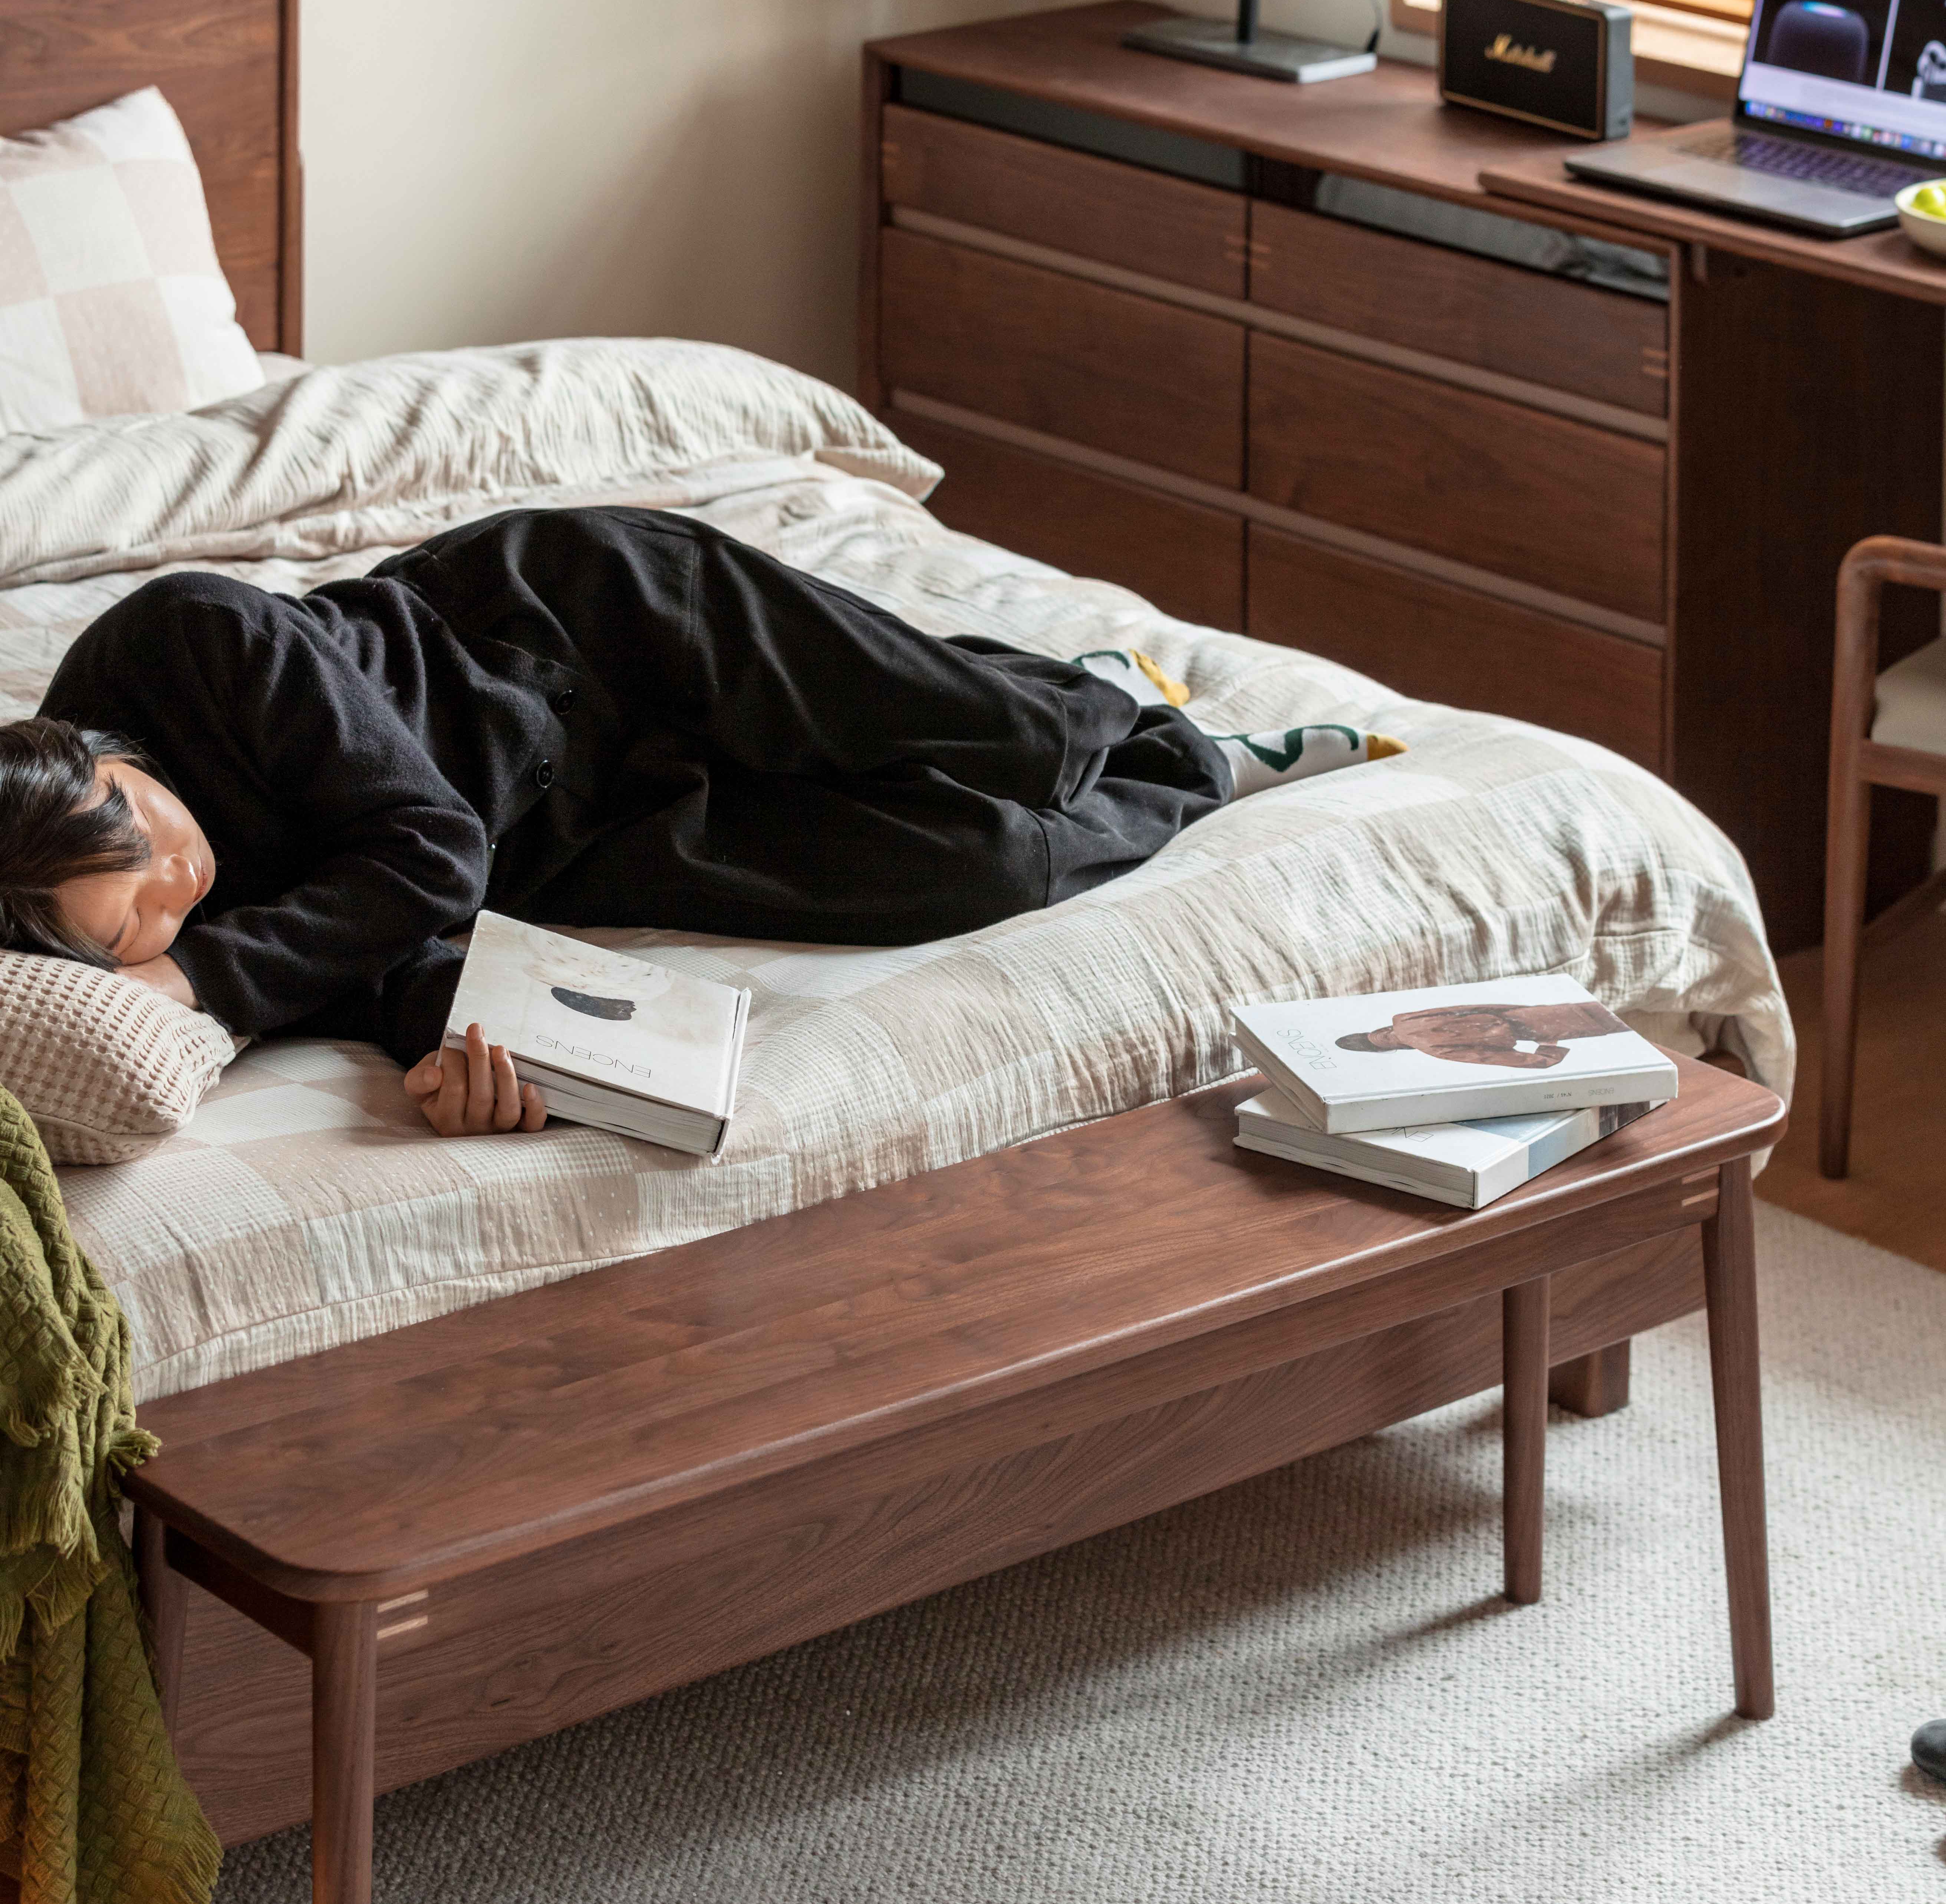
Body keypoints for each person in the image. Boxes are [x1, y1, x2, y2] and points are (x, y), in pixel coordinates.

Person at [2, 507, 1381, 1138]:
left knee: (1011, 740)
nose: (185, 875)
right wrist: (453, 1056)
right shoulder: (111, 980)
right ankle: (1196, 764)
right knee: (975, 862)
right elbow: (376, 947)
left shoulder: (185, 637)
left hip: (576, 635)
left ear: (89, 752)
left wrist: (194, 974)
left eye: (142, 823)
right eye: (143, 919)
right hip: (564, 843)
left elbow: (419, 853)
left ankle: (1102, 700)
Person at [1336, 1000, 1631, 1071]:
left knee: (1610, 1020)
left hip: (1534, 1028)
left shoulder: (1430, 1049)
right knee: (1609, 1013)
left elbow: (1503, 1058)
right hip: (1528, 1017)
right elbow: (1475, 1008)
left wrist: (1547, 1050)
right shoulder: (1404, 1018)